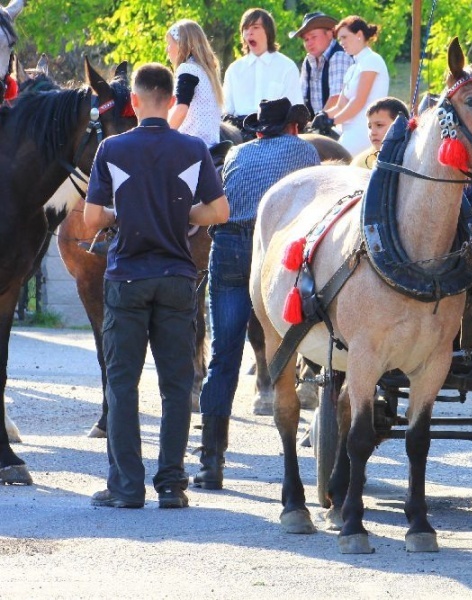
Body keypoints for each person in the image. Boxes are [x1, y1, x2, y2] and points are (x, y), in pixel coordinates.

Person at [84, 63, 229, 509]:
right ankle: (171, 485)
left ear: (133, 102)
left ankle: (126, 487)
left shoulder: (111, 148)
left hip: (126, 278)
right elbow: (219, 211)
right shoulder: (192, 149)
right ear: (170, 102)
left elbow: (91, 219)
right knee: (175, 384)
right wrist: (185, 215)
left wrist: (118, 217)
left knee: (122, 385)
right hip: (176, 279)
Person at [194, 97, 321, 490]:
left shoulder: (236, 152)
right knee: (305, 336)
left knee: (223, 356)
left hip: (230, 246)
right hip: (278, 252)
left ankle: (211, 462)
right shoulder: (304, 150)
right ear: (294, 127)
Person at [310, 15, 388, 156]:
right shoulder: (353, 68)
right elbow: (340, 106)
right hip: (347, 129)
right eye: (340, 39)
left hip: (364, 130)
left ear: (359, 35)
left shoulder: (372, 60)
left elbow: (358, 101)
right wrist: (323, 115)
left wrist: (332, 121)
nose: (342, 43)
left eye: (344, 37)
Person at [222, 7, 302, 141]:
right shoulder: (234, 70)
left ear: (268, 32)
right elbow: (226, 110)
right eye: (245, 29)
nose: (249, 33)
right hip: (240, 138)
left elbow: (295, 109)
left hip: (277, 137)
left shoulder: (287, 66)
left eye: (255, 27)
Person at [165, 19, 223, 146]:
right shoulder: (207, 71)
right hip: (211, 145)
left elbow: (181, 110)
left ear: (181, 45)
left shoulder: (188, 69)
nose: (167, 50)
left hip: (191, 146)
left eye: (169, 43)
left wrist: (161, 136)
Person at [289, 11, 352, 118]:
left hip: (339, 124)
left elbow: (337, 98)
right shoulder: (308, 61)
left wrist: (317, 124)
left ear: (329, 34)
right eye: (306, 39)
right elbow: (300, 97)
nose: (309, 43)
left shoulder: (339, 56)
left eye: (313, 37)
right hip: (317, 124)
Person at [350, 96, 409, 168]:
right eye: (370, 127)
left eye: (379, 125)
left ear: (401, 125)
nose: (372, 133)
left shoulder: (414, 158)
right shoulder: (360, 163)